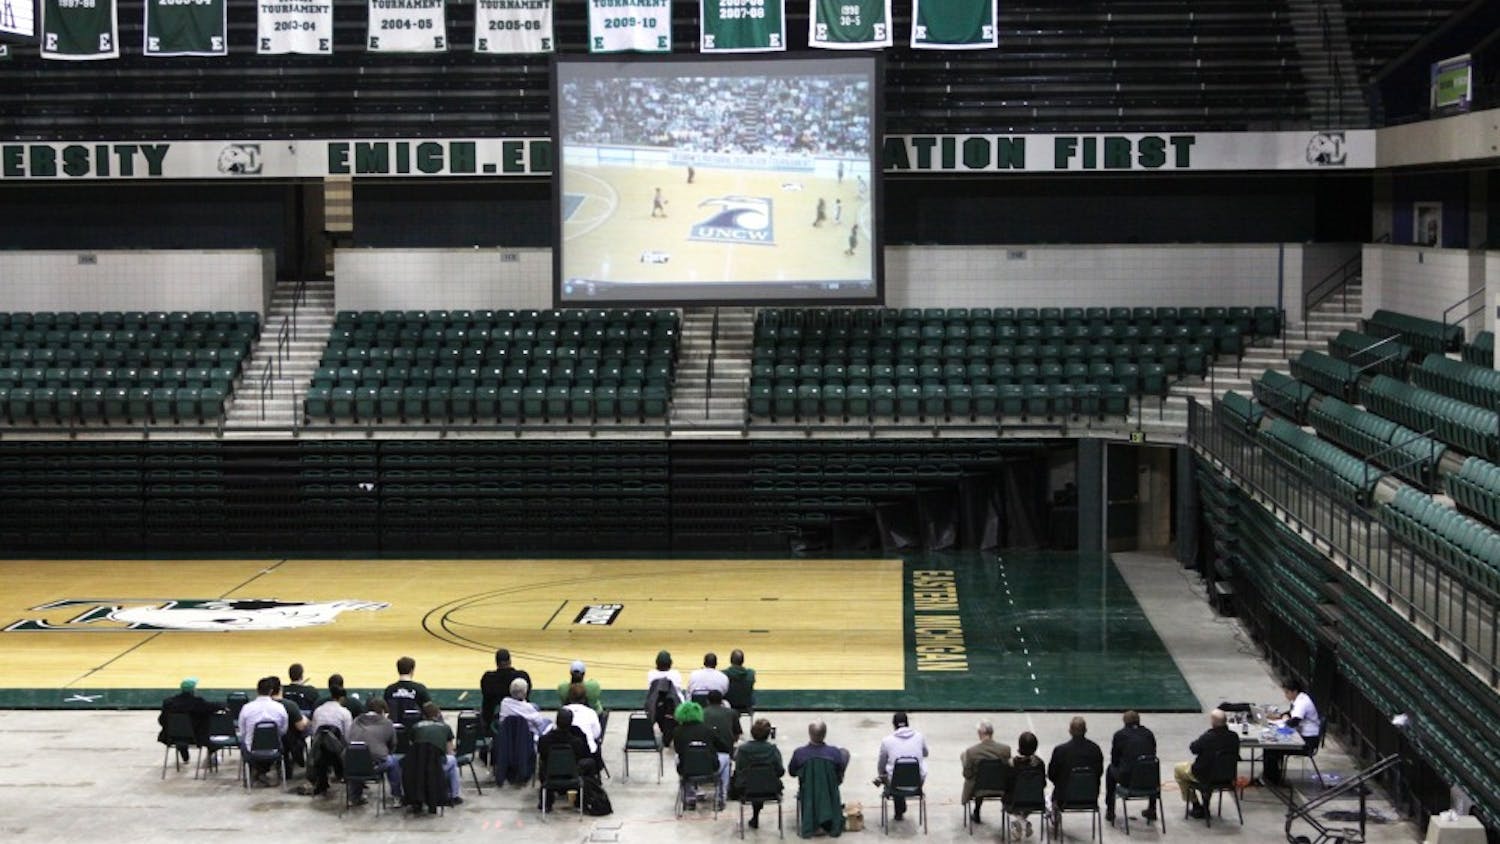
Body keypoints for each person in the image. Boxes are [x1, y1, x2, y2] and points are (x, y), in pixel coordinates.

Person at [1174, 709, 1240, 819]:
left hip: (1206, 776)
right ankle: (1205, 805)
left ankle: (1196, 805)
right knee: (1212, 768)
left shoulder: (1208, 737)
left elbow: (1194, 748)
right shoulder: (1234, 737)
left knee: (1178, 769)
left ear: (1213, 722)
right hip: (1227, 776)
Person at [790, 721, 848, 838]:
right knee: (845, 753)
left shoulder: (799, 753)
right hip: (829, 790)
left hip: (808, 791)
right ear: (825, 734)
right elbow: (840, 769)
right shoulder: (835, 752)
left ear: (809, 733)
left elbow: (792, 772)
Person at [673, 700, 732, 810]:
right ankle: (721, 797)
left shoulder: (677, 731)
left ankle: (689, 797)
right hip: (710, 769)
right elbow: (724, 747)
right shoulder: (708, 729)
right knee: (726, 757)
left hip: (686, 769)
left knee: (678, 757)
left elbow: (678, 750)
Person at [300, 679, 354, 796]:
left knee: (322, 743)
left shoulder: (318, 710)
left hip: (319, 751)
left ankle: (322, 781)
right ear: (342, 699)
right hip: (337, 752)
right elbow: (348, 736)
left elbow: (314, 732)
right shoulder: (344, 712)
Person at [1264, 679, 1321, 786]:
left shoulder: (1302, 702)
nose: (1286, 695)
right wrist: (1280, 716)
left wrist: (1284, 720)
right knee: (1270, 746)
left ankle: (1273, 780)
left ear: (1294, 691)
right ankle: (1270, 776)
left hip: (1307, 741)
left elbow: (1293, 722)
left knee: (1272, 748)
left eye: (1287, 692)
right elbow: (1291, 713)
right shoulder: (1297, 699)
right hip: (1301, 735)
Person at [876, 711, 928, 822]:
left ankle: (899, 809)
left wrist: (881, 775)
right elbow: (925, 753)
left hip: (895, 783)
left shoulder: (887, 741)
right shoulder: (919, 737)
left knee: (892, 773)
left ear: (894, 725)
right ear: (907, 723)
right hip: (917, 783)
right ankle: (900, 807)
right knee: (910, 768)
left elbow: (881, 764)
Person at [1106, 710, 1157, 824]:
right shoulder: (1148, 734)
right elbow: (1153, 753)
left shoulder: (1120, 735)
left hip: (1128, 779)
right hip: (1149, 778)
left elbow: (1114, 760)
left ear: (1124, 721)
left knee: (1110, 770)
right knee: (1152, 767)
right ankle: (1152, 808)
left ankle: (1110, 810)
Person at [732, 718, 784, 830]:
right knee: (761, 781)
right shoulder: (773, 750)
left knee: (752, 782)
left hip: (747, 789)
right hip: (770, 789)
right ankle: (756, 815)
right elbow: (780, 771)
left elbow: (738, 769)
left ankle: (755, 816)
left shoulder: (742, 750)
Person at [537, 708, 592, 811]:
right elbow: (582, 756)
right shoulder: (577, 742)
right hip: (572, 776)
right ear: (571, 723)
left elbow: (542, 755)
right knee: (589, 763)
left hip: (550, 775)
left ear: (556, 721)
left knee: (543, 764)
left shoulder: (544, 740)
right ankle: (581, 801)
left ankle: (546, 802)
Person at [1048, 716, 1104, 818]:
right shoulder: (1095, 749)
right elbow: (1099, 772)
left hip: (1064, 797)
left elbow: (1052, 774)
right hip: (1090, 796)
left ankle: (1055, 813)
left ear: (1070, 731)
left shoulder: (1060, 751)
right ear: (1085, 730)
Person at [347, 697, 400, 805]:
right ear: (383, 710)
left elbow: (349, 739)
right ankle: (397, 796)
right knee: (394, 761)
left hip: (353, 766)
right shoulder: (387, 723)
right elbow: (393, 744)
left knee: (357, 758)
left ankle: (354, 797)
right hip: (375, 766)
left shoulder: (356, 721)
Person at [238, 676, 289, 786]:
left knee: (244, 743)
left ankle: (256, 772)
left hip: (251, 750)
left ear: (257, 691)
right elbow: (283, 730)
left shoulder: (246, 708)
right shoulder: (280, 708)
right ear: (271, 691)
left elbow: (242, 732)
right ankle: (263, 771)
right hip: (274, 749)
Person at [411, 701, 463, 806]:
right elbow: (450, 751)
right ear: (438, 714)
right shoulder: (445, 727)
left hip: (418, 767)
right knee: (453, 761)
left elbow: (412, 748)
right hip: (437, 766)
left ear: (423, 715)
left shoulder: (415, 727)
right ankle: (454, 795)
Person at [961, 719, 1011, 825]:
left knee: (976, 779)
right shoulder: (1005, 750)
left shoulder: (971, 752)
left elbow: (967, 774)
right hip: (1000, 787)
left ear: (980, 733)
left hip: (978, 789)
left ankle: (976, 810)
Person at [157, 677, 216, 763]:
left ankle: (184, 752)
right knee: (214, 738)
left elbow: (161, 720)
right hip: (196, 738)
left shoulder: (168, 703)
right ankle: (210, 759)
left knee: (181, 731)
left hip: (172, 737)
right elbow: (211, 707)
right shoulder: (198, 703)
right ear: (193, 690)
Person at [480, 648, 531, 735]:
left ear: (496, 662)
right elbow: (527, 694)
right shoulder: (522, 676)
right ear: (510, 661)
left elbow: (486, 697)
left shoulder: (488, 678)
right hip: (521, 718)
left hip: (493, 720)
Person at [1009, 731, 1046, 840]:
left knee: (1014, 797)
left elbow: (1007, 784)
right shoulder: (1040, 764)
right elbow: (1043, 784)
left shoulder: (1012, 763)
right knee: (1027, 795)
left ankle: (1021, 822)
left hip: (1015, 801)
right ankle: (1022, 822)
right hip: (1036, 800)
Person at [645, 650, 685, 742]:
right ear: (670, 663)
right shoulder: (675, 674)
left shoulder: (651, 673)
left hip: (656, 706)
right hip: (675, 705)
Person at [384, 656, 430, 725]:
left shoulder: (389, 689)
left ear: (398, 670)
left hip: (394, 726)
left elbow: (386, 710)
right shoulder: (420, 689)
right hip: (415, 727)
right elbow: (429, 709)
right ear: (412, 670)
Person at [562, 682, 603, 759]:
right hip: (587, 754)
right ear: (584, 698)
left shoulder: (563, 710)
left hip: (565, 753)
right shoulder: (591, 712)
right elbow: (597, 734)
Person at [724, 649, 756, 714]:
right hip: (746, 705)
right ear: (743, 661)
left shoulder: (724, 674)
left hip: (729, 705)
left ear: (730, 661)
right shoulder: (751, 673)